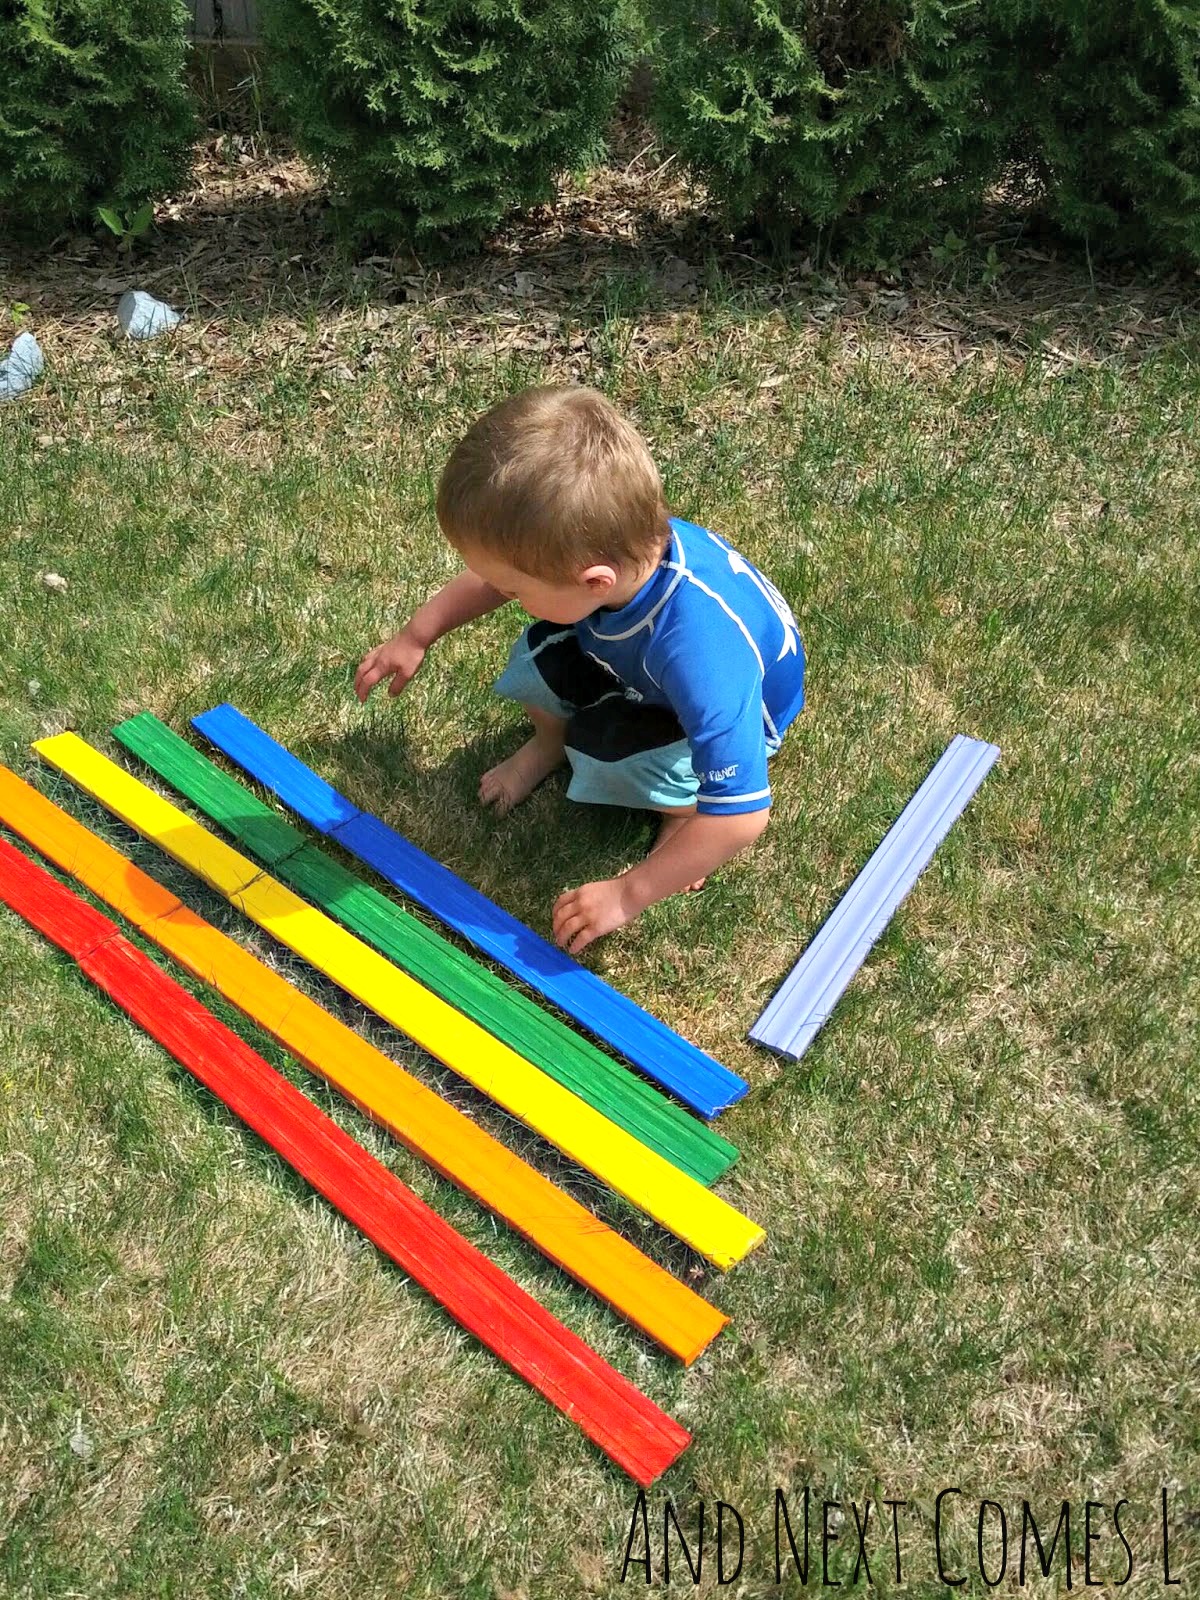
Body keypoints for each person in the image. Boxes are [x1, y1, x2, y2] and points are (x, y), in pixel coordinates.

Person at [355, 385, 805, 954]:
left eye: (516, 590)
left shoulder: (702, 658)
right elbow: (496, 577)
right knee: (540, 652)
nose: (506, 596)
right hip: (644, 662)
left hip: (723, 711)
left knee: (607, 751)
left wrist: (627, 894)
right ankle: (549, 745)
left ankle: (684, 807)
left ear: (595, 581)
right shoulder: (614, 552)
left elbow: (745, 816)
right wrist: (419, 633)